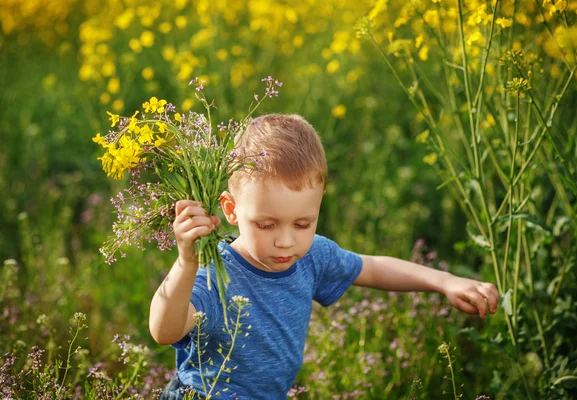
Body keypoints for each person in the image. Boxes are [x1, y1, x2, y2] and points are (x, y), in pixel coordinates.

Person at [149, 114, 500, 399]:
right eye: (266, 225)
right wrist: (186, 262)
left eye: (303, 223)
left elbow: (373, 268)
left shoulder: (312, 254)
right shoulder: (217, 273)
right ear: (231, 209)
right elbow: (164, 331)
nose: (286, 242)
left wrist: (445, 281)